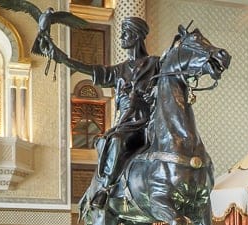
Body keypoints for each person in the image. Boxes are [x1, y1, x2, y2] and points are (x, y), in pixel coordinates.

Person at [41, 16, 160, 208]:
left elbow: (170, 83)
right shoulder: (119, 70)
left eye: (126, 33)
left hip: (151, 120)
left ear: (137, 37)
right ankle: (105, 189)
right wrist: (61, 57)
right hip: (129, 124)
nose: (121, 36)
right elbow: (88, 68)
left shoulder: (154, 63)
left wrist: (154, 94)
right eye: (121, 32)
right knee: (117, 140)